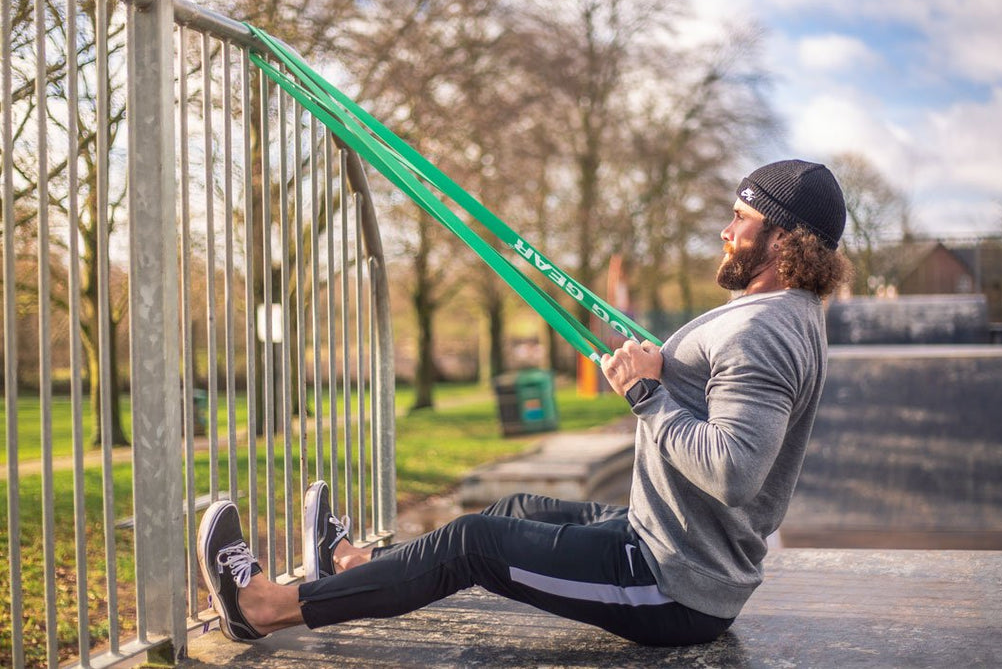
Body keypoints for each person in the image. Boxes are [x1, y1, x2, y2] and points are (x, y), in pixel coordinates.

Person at [198, 159, 851, 647]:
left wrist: (645, 392)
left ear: (784, 240)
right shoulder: (786, 314)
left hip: (669, 584)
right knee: (514, 508)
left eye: (741, 218)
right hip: (666, 542)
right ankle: (353, 568)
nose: (724, 229)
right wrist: (664, 371)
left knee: (474, 541)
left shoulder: (764, 331)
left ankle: (265, 606)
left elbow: (735, 473)